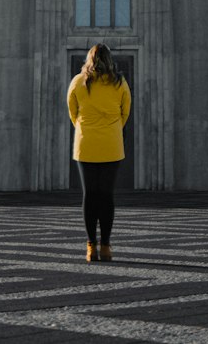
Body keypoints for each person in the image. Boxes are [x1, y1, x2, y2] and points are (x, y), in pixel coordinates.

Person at [66, 43, 131, 263]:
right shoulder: (120, 82)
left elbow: (72, 111)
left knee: (90, 195)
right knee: (107, 196)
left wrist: (86, 127)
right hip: (112, 145)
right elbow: (125, 111)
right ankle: (106, 246)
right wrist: (111, 128)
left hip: (86, 144)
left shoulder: (78, 81)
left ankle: (90, 246)